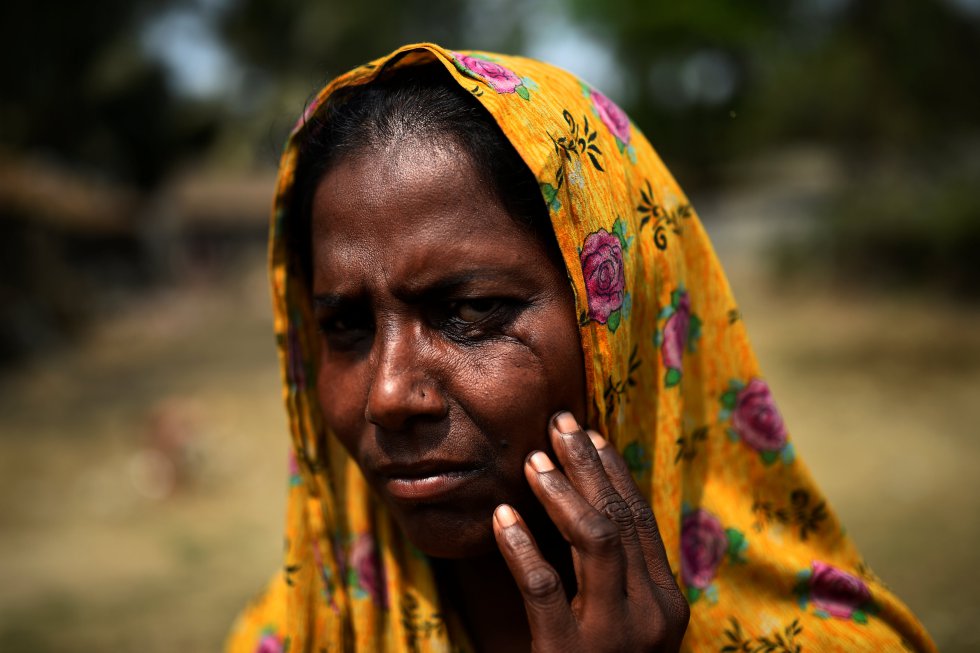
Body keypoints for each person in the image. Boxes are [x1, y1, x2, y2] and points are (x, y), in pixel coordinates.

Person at [227, 43, 936, 652]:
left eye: (470, 311)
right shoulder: (305, 630)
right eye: (346, 326)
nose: (387, 395)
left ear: (615, 318)